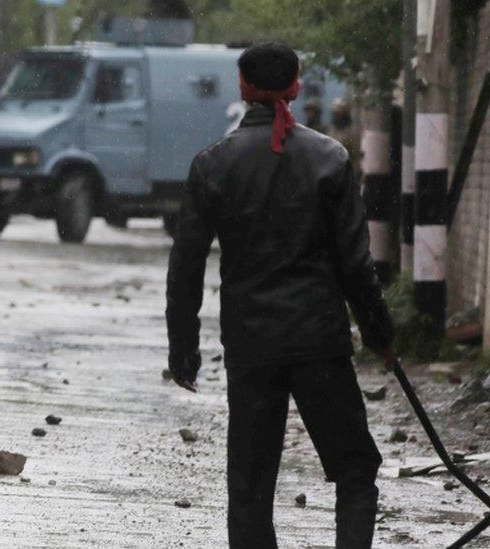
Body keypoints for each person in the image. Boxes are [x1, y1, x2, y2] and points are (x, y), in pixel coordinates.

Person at [165, 42, 396, 549]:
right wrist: (380, 333)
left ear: (243, 87)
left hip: (251, 345)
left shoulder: (213, 164)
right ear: (296, 84)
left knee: (250, 483)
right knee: (355, 468)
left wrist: (183, 348)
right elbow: (355, 264)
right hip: (320, 343)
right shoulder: (329, 159)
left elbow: (185, 266)